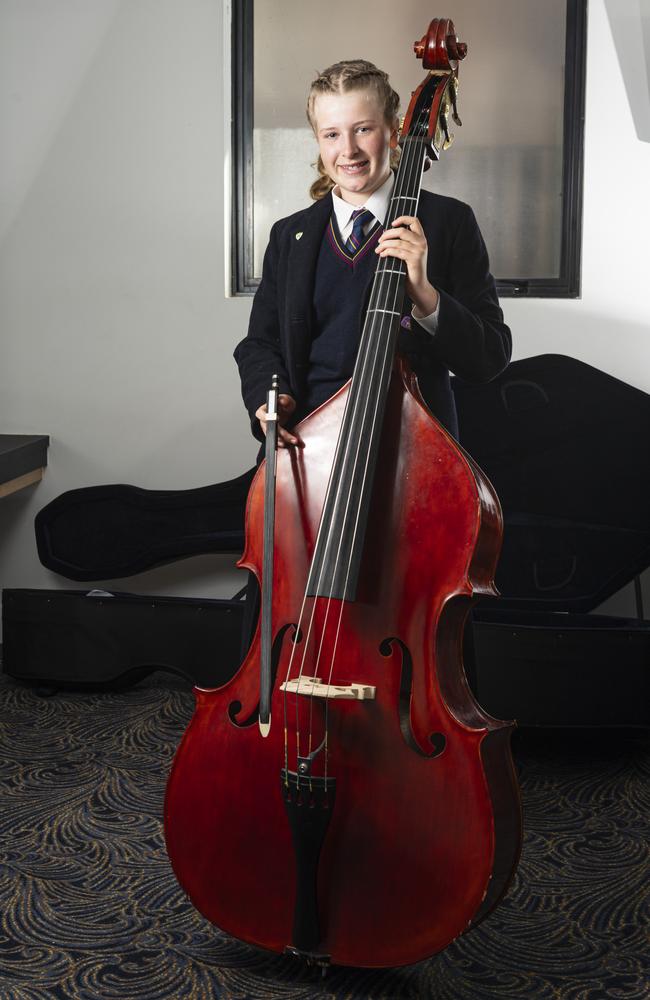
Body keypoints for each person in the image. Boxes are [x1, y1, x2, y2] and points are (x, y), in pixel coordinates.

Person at [234, 59, 511, 449]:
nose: (347, 150)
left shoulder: (449, 222)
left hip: (414, 455)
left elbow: (489, 358)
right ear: (317, 139)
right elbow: (260, 344)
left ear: (394, 132)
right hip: (308, 446)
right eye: (331, 134)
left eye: (363, 129)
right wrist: (268, 396)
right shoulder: (288, 235)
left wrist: (425, 295)